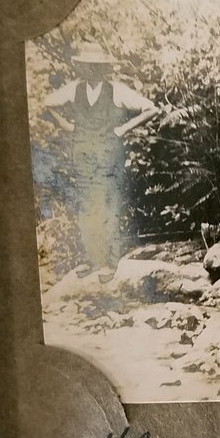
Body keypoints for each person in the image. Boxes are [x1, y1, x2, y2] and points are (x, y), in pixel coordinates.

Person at [43, 42, 158, 277]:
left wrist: (123, 129)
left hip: (109, 153)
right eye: (88, 66)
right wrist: (66, 125)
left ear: (104, 68)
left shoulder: (117, 90)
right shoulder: (74, 89)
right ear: (82, 68)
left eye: (97, 66)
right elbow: (47, 104)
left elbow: (151, 108)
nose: (92, 70)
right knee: (87, 206)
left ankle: (110, 262)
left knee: (109, 203)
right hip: (83, 153)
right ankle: (92, 260)